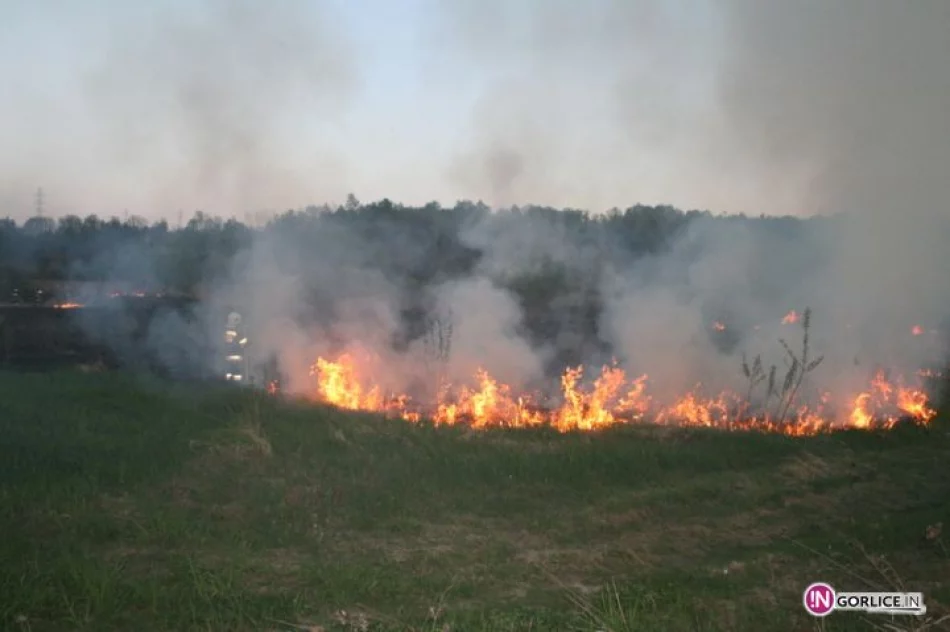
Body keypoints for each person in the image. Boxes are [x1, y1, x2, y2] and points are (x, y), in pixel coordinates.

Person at [224, 311, 249, 382]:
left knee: (231, 372)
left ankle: (232, 384)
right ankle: (236, 386)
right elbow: (239, 343)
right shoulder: (233, 333)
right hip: (235, 358)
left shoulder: (230, 331)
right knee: (236, 374)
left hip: (231, 358)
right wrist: (246, 341)